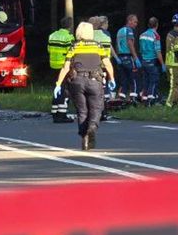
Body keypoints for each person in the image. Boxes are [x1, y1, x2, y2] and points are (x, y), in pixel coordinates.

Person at [55, 21, 115, 151]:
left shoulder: (74, 46)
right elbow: (108, 64)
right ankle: (92, 128)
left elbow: (65, 67)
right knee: (96, 108)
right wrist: (112, 78)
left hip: (77, 81)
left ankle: (84, 137)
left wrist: (58, 84)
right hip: (94, 80)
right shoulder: (98, 46)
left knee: (82, 111)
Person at [47, 17, 76, 123]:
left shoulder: (52, 35)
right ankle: (62, 115)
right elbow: (71, 54)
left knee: (57, 88)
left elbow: (49, 49)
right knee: (64, 91)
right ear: (70, 25)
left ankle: (54, 113)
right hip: (64, 66)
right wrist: (72, 68)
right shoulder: (69, 37)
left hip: (53, 65)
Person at [137, 17, 162, 103]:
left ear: (148, 24)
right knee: (154, 80)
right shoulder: (156, 35)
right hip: (152, 61)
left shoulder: (142, 35)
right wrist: (162, 64)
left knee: (146, 81)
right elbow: (158, 51)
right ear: (157, 25)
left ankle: (144, 100)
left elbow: (140, 49)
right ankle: (151, 100)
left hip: (143, 60)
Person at [114, 14, 140, 100]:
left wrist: (118, 57)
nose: (136, 24)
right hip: (128, 57)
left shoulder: (119, 31)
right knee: (134, 79)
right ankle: (133, 98)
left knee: (123, 80)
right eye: (135, 22)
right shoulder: (129, 30)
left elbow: (117, 45)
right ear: (129, 21)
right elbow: (130, 44)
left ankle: (121, 99)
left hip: (120, 58)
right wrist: (135, 57)